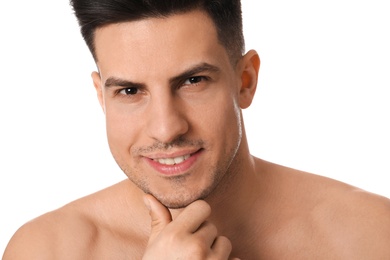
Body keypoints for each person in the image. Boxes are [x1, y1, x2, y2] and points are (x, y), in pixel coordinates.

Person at [3, 0, 390, 258]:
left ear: (245, 80)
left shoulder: (370, 237)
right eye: (130, 90)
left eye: (193, 82)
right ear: (101, 97)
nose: (166, 128)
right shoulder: (48, 250)